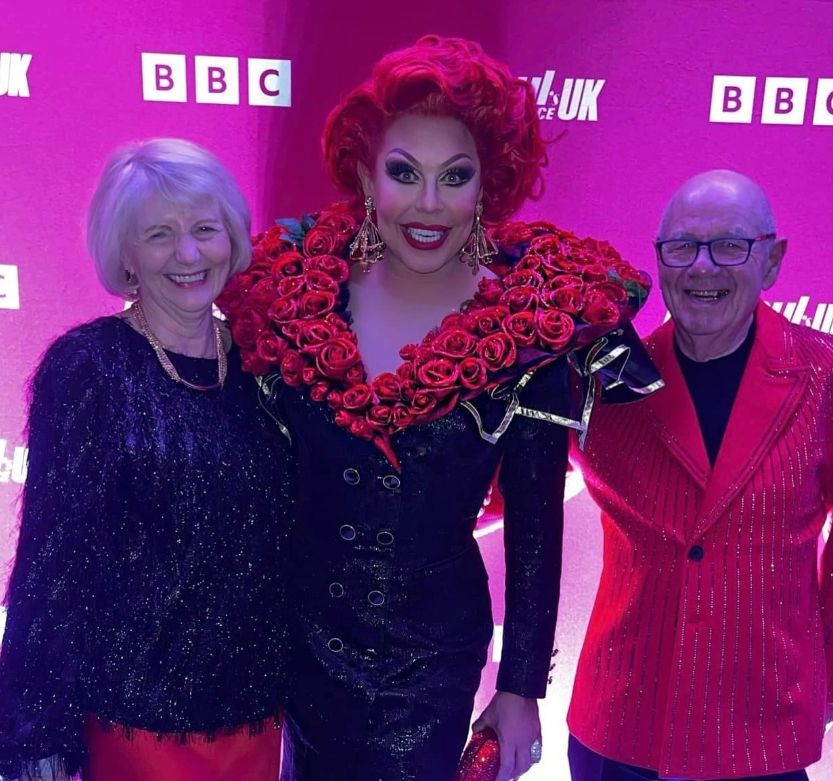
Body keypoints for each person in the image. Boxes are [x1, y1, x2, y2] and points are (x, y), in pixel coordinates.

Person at [219, 35, 656, 781]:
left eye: (455, 176)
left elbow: (535, 524)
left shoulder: (528, 315)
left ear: (489, 184)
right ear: (364, 174)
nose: (428, 204)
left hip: (430, 658)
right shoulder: (294, 287)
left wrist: (520, 690)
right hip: (297, 643)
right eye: (403, 173)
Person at [0, 139, 293, 781]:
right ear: (125, 255)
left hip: (257, 718)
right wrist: (35, 733)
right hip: (138, 724)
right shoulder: (88, 369)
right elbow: (53, 556)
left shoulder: (263, 361)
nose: (188, 255)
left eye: (204, 230)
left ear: (232, 240)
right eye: (159, 235)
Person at [568, 169, 833, 781]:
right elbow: (501, 495)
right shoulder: (601, 379)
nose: (703, 268)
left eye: (731, 246)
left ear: (772, 261)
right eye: (682, 246)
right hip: (621, 724)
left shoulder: (823, 378)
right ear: (659, 260)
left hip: (762, 731)